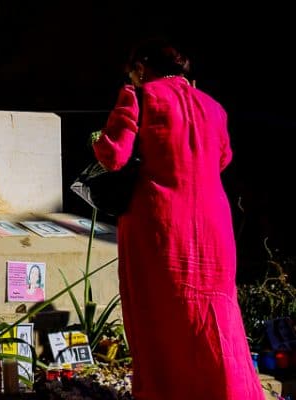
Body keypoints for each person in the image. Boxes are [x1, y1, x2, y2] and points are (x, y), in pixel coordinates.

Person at [92, 38, 261, 398]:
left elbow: (114, 155)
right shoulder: (214, 107)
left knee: (160, 317)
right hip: (214, 226)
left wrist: (97, 139)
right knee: (216, 315)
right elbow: (223, 159)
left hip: (161, 224)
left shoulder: (139, 97)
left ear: (141, 68)